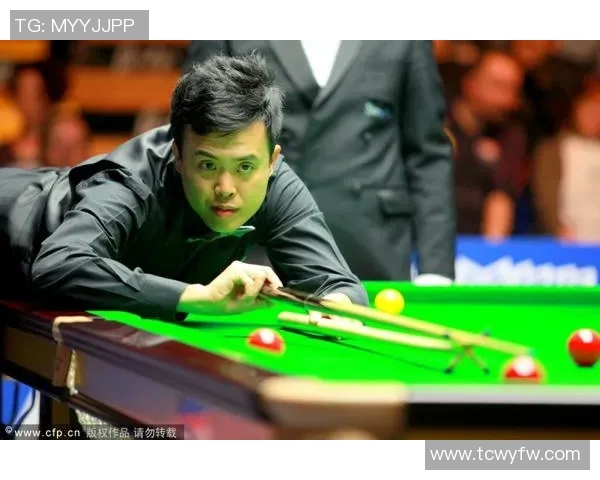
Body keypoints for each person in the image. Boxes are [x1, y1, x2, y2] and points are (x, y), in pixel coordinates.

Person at [0, 52, 367, 322]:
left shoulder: (274, 181)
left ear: (271, 161)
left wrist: (337, 307)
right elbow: (58, 263)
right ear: (177, 154)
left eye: (244, 167)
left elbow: (338, 283)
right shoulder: (130, 181)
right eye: (208, 165)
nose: (226, 188)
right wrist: (195, 297)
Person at [185, 41, 456, 283]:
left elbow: (427, 154)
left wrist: (436, 269)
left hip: (373, 247)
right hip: (256, 247)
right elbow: (193, 133)